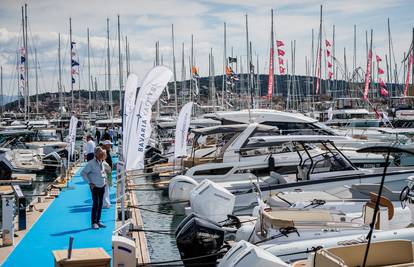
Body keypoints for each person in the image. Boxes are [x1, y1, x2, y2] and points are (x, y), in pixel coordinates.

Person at [80, 147, 107, 229]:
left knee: (101, 204)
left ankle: (98, 220)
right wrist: (89, 182)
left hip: (102, 185)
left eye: (102, 152)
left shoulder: (101, 162)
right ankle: (93, 222)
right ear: (96, 154)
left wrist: (105, 181)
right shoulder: (91, 163)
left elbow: (102, 173)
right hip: (95, 186)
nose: (102, 154)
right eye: (100, 153)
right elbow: (83, 173)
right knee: (96, 204)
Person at [101, 140, 113, 208]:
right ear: (106, 145)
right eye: (109, 145)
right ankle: (105, 204)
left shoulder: (107, 152)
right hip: (105, 173)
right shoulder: (103, 152)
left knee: (107, 189)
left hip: (107, 173)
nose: (110, 146)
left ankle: (107, 202)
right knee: (105, 189)